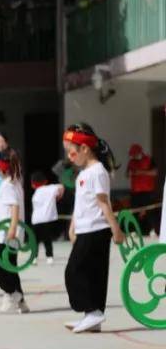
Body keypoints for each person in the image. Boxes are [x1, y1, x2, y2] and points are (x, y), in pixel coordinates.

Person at [63, 124, 123, 333]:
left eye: (71, 151)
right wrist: (73, 226)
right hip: (85, 229)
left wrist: (115, 229)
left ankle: (92, 311)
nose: (69, 156)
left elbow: (103, 203)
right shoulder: (83, 174)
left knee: (73, 271)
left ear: (85, 149)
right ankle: (93, 316)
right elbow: (81, 204)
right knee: (92, 273)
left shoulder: (97, 172)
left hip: (96, 229)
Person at [0, 150, 30, 314]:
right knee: (10, 267)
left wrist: (12, 229)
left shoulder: (8, 185)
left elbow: (14, 207)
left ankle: (11, 294)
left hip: (5, 235)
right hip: (10, 234)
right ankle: (21, 301)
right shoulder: (16, 182)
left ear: (0, 168)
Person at [30, 171, 64, 264]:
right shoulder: (51, 188)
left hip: (36, 220)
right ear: (45, 181)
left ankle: (34, 258)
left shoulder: (35, 194)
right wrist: (59, 196)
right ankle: (49, 257)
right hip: (47, 219)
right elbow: (61, 186)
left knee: (35, 241)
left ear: (33, 184)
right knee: (47, 239)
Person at [126, 143, 158, 235]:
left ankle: (153, 229)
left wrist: (140, 172)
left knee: (149, 211)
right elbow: (127, 174)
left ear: (139, 152)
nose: (133, 156)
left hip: (147, 191)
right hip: (135, 192)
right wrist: (130, 174)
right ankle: (135, 230)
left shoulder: (148, 159)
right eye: (132, 155)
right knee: (134, 211)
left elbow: (154, 172)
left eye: (134, 154)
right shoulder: (131, 162)